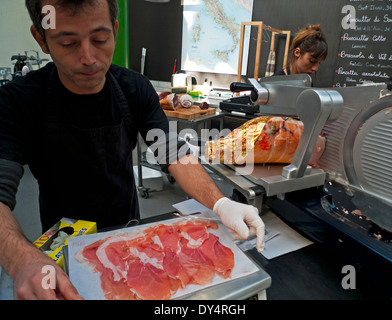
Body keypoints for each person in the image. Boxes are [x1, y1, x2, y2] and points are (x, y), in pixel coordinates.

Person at [0, 0, 265, 300]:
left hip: (131, 240)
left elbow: (173, 153)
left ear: (114, 29)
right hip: (63, 246)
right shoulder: (17, 102)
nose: (88, 58)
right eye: (68, 43)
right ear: (41, 39)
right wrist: (21, 258)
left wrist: (220, 204)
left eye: (100, 40)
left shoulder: (134, 88)